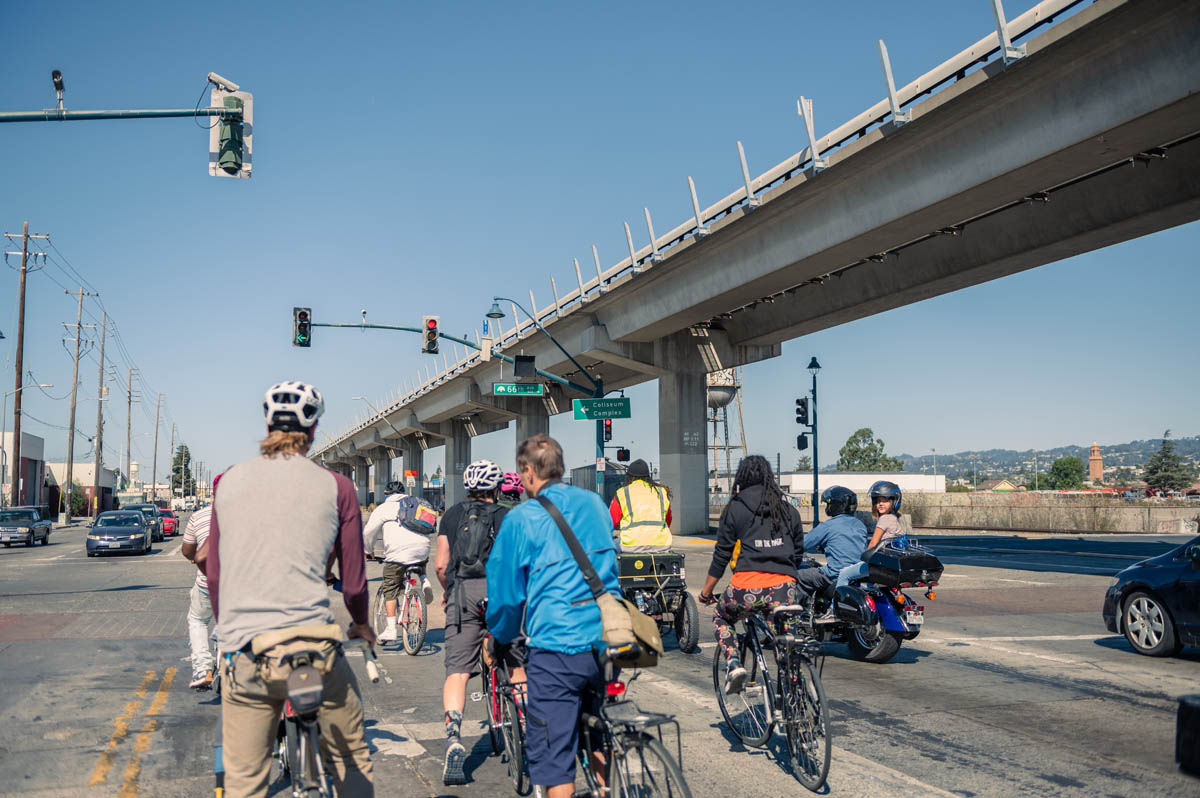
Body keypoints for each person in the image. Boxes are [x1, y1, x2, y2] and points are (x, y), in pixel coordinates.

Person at [207, 381, 375, 798]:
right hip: (315, 649)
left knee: (243, 782)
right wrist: (362, 626)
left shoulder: (227, 482)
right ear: (313, 429)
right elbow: (354, 583)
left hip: (248, 651)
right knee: (351, 762)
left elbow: (215, 574)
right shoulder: (338, 487)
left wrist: (227, 631)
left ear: (267, 425)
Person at [486, 433, 621, 798]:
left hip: (558, 647)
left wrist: (498, 636)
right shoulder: (595, 503)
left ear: (527, 472)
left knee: (554, 756)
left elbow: (507, 598)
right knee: (597, 728)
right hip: (608, 639)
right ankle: (606, 789)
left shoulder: (522, 519)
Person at [434, 458, 515, 786]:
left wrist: (449, 591)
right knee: (516, 661)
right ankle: (528, 730)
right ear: (495, 488)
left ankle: (454, 738)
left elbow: (441, 565)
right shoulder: (507, 515)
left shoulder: (451, 515)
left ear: (468, 487)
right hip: (499, 593)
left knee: (457, 671)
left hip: (463, 594)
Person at [698, 455, 806, 695]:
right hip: (784, 588)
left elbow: (721, 557)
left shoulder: (735, 508)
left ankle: (734, 663)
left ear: (742, 478)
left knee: (721, 618)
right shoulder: (788, 510)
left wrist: (706, 592)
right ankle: (795, 699)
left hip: (746, 588)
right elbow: (798, 553)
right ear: (770, 478)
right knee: (786, 644)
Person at [362, 480, 437, 643]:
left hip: (397, 555)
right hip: (422, 549)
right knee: (418, 557)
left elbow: (368, 532)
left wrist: (368, 551)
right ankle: (424, 580)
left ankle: (390, 629)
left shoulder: (383, 508)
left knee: (390, 586)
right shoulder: (415, 505)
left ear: (387, 494)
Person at [797, 485, 869, 609]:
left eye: (828, 504)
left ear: (836, 505)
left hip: (833, 575)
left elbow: (802, 544)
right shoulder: (860, 525)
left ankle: (794, 615)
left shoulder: (828, 526)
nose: (827, 507)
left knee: (797, 575)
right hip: (856, 574)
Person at [836, 480, 909, 589]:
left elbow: (874, 542)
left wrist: (864, 557)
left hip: (879, 565)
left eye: (885, 501)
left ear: (894, 502)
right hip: (889, 565)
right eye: (878, 501)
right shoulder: (894, 519)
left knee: (844, 574)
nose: (880, 504)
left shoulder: (884, 519)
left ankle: (836, 603)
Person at [181, 503, 215, 689]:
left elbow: (187, 550)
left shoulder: (199, 516)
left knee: (198, 620)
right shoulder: (247, 512)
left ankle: (202, 669)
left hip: (208, 582)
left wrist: (195, 558)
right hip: (240, 584)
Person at [608, 458, 673, 552]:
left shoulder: (622, 493)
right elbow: (668, 520)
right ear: (648, 476)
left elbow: (610, 523)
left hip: (631, 545)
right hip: (662, 544)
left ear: (629, 476)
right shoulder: (661, 492)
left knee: (611, 547)